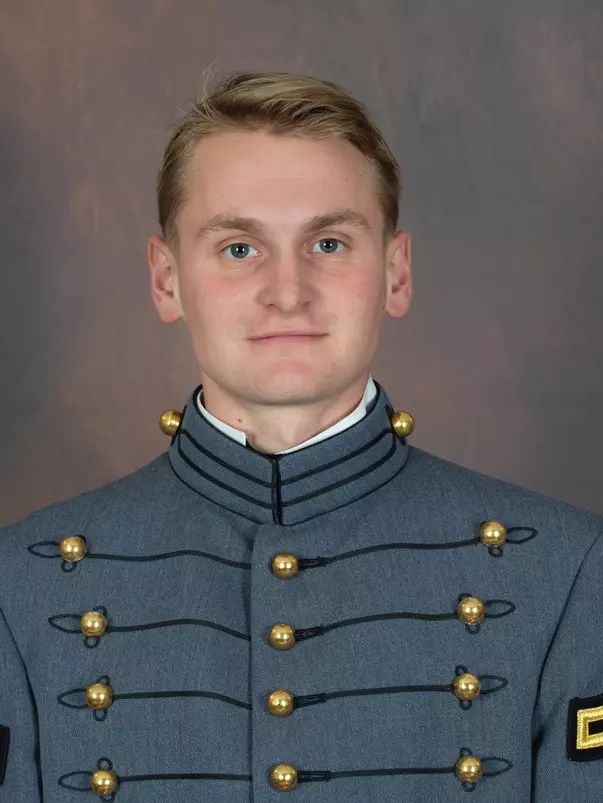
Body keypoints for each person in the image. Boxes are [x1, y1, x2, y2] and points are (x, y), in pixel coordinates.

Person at [0, 71, 601, 803]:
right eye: (238, 248)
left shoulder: (570, 574)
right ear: (166, 279)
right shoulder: (19, 587)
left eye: (328, 241)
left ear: (395, 272)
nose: (288, 291)